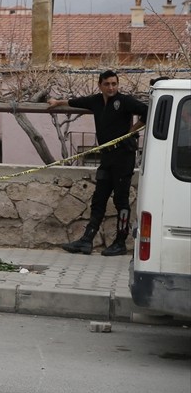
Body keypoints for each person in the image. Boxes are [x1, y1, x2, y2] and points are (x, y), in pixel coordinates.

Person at [48, 70, 148, 256]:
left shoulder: (124, 101)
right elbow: (75, 102)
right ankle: (87, 240)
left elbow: (147, 111)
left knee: (121, 200)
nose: (111, 88)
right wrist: (57, 103)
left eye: (114, 84)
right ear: (100, 85)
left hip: (123, 157)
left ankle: (120, 242)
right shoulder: (95, 101)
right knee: (99, 199)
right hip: (106, 157)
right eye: (107, 84)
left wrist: (131, 132)